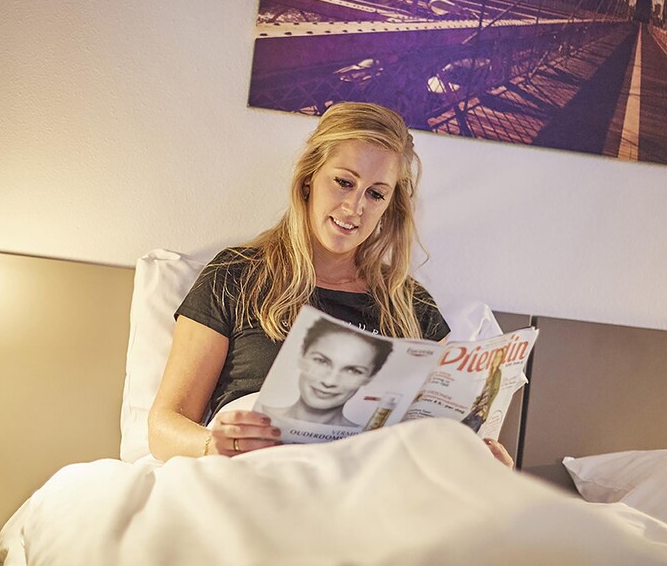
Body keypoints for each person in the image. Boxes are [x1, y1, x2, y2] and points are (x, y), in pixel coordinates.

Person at [148, 102, 514, 468]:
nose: (355, 207)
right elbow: (163, 427)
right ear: (309, 177)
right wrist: (213, 444)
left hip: (370, 483)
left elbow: (437, 438)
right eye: (344, 182)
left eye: (375, 194)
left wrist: (479, 465)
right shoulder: (236, 275)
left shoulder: (411, 304)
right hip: (260, 473)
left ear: (389, 206)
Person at [263, 316, 393, 427]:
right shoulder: (256, 418)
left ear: (371, 377)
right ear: (301, 355)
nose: (329, 382)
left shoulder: (372, 439)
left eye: (352, 371)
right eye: (321, 361)